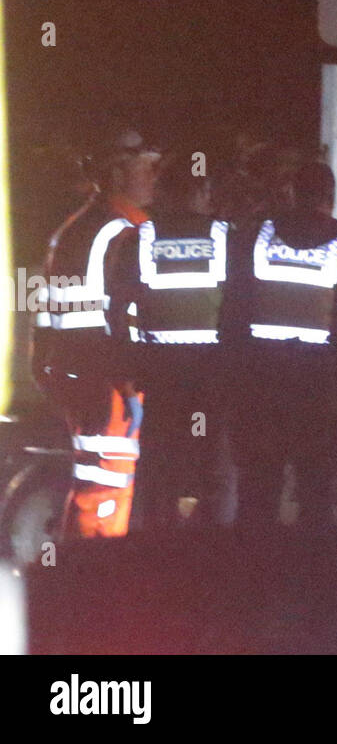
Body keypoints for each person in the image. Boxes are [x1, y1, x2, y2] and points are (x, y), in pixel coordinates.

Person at [222, 161, 337, 526]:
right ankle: (312, 575)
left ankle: (252, 576)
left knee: (258, 494)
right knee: (317, 496)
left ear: (292, 194)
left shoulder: (252, 242)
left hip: (260, 391)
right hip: (322, 395)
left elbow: (230, 321)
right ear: (331, 198)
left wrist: (229, 390)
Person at [33, 130, 159, 538]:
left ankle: (78, 574)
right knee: (108, 483)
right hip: (110, 383)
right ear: (119, 173)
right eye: (148, 168)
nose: (155, 178)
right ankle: (94, 583)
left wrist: (45, 368)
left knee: (92, 480)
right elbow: (127, 311)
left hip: (77, 375)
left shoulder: (71, 229)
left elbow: (41, 304)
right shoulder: (124, 231)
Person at [105, 158, 236, 529]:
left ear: (164, 194)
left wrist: (125, 370)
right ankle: (215, 556)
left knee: (161, 468)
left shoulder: (140, 239)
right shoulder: (226, 236)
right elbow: (242, 306)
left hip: (161, 375)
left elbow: (116, 310)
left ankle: (158, 557)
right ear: (200, 192)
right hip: (212, 375)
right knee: (213, 469)